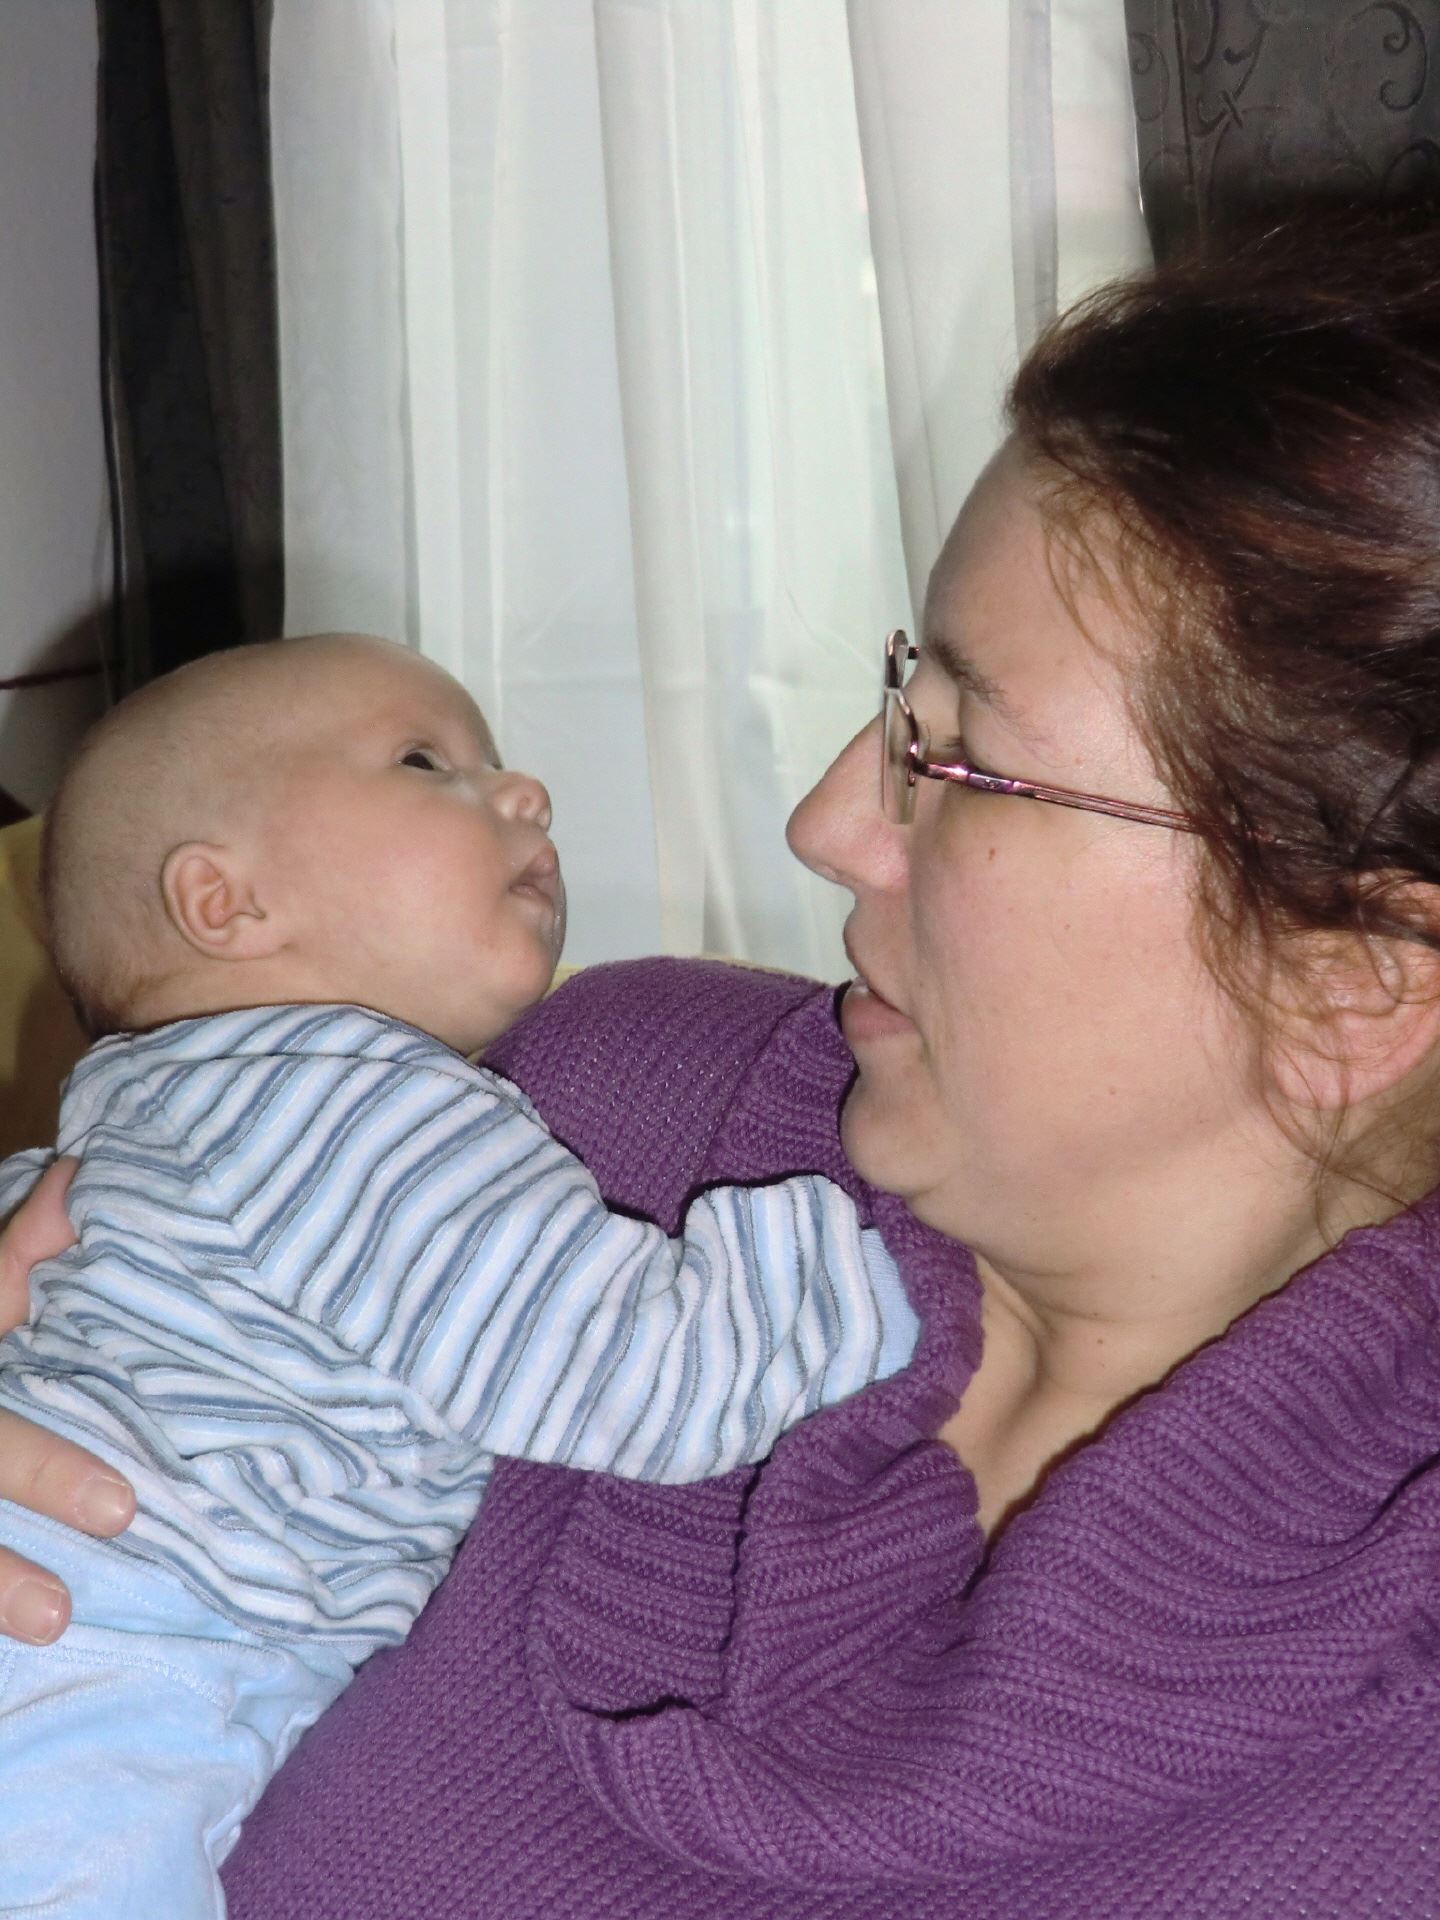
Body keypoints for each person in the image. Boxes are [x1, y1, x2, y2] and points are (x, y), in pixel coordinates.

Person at [3, 211, 1440, 1916]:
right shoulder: (595, 1105)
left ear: (1352, 980)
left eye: (960, 760)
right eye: (899, 697)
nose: (828, 822)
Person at [0, 634, 914, 1919]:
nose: (526, 792)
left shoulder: (146, 1112)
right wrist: (869, 1243)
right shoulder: (345, 1102)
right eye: (425, 763)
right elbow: (640, 1382)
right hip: (108, 1632)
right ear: (224, 903)